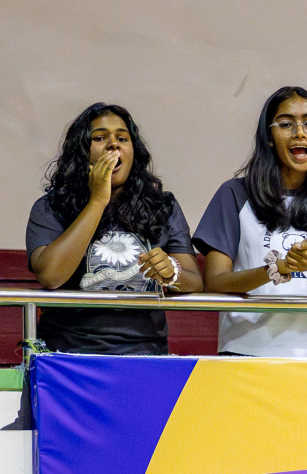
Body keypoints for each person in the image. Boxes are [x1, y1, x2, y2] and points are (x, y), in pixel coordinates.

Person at [195, 86, 307, 356]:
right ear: (268, 137)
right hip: (245, 352)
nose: (300, 132)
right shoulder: (234, 194)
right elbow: (214, 283)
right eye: (287, 124)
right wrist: (277, 268)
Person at [26, 103, 202, 354]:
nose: (113, 145)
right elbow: (51, 276)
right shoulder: (50, 207)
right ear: (82, 151)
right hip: (67, 354)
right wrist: (98, 201)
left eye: (122, 138)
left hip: (143, 353)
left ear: (133, 151)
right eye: (100, 138)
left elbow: (195, 282)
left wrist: (170, 272)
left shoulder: (163, 206)